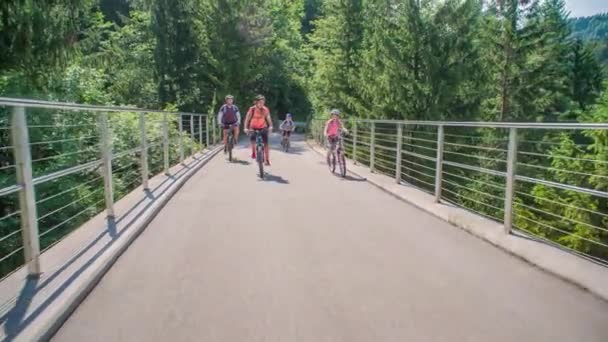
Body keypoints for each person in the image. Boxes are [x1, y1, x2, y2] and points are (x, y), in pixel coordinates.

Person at [244, 95, 273, 165]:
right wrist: (245, 128)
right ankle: (253, 152)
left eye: (263, 102)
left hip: (263, 127)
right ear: (256, 102)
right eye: (260, 102)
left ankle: (267, 159)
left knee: (266, 143)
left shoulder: (265, 109)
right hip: (253, 127)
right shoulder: (252, 109)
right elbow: (247, 119)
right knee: (253, 139)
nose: (262, 104)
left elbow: (268, 117)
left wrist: (271, 126)